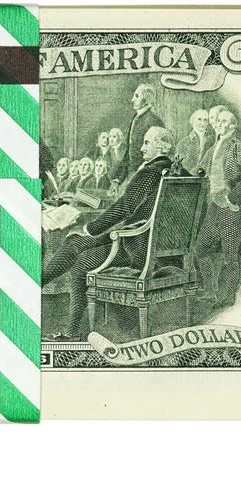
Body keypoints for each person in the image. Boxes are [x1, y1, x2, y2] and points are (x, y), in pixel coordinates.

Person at [41, 126, 176, 339]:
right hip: (152, 245)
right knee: (75, 241)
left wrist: (91, 228)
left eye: (147, 143)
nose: (142, 148)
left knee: (80, 259)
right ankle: (40, 280)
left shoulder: (151, 171)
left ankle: (71, 329)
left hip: (136, 248)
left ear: (162, 147)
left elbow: (125, 207)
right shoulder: (178, 172)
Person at [196, 110, 241, 306]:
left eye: (224, 121)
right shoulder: (214, 148)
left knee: (230, 256)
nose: (218, 124)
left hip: (231, 209)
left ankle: (229, 296)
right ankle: (210, 291)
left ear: (233, 126)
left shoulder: (238, 148)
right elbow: (200, 171)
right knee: (201, 249)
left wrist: (232, 197)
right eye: (218, 121)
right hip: (214, 206)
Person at [126, 84, 164, 175]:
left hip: (146, 172)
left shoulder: (153, 120)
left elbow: (158, 153)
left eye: (137, 96)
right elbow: (130, 147)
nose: (132, 100)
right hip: (133, 171)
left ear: (146, 100)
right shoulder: (136, 117)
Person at [175, 108, 211, 174]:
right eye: (199, 119)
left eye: (205, 120)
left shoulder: (211, 140)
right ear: (193, 121)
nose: (202, 123)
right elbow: (180, 166)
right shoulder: (183, 143)